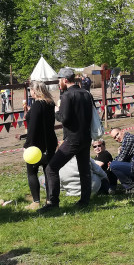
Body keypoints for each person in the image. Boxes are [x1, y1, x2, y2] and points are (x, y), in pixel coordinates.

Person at [41, 67, 94, 212]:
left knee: (51, 168)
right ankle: (85, 200)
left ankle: (53, 202)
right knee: (84, 170)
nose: (59, 82)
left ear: (65, 80)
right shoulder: (86, 93)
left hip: (73, 139)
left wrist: (57, 111)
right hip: (86, 137)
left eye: (59, 79)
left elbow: (64, 119)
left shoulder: (67, 96)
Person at [23, 81, 58, 210]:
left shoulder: (38, 105)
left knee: (32, 171)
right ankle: (50, 199)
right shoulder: (50, 103)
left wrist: (28, 144)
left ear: (34, 90)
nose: (30, 92)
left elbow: (33, 127)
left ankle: (36, 201)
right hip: (50, 141)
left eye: (30, 90)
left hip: (37, 143)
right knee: (48, 171)